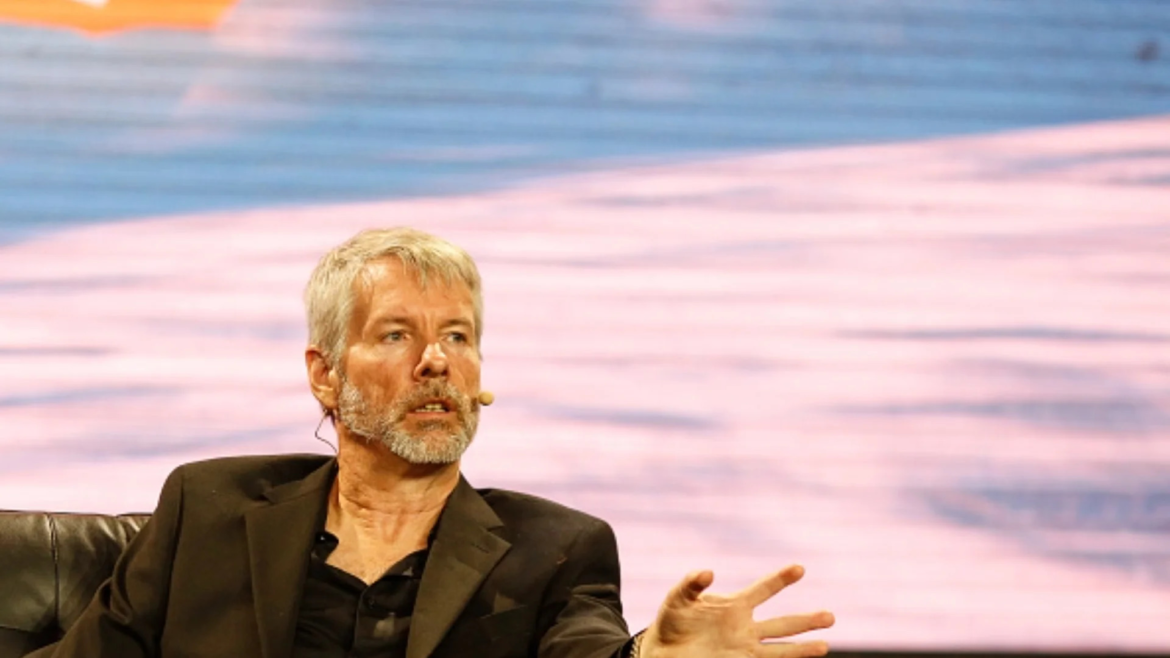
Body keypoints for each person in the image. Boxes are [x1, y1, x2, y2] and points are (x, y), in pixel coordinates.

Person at [30, 228, 835, 658]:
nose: (436, 361)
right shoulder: (208, 507)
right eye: (396, 335)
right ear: (325, 374)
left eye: (457, 335)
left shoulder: (556, 548)